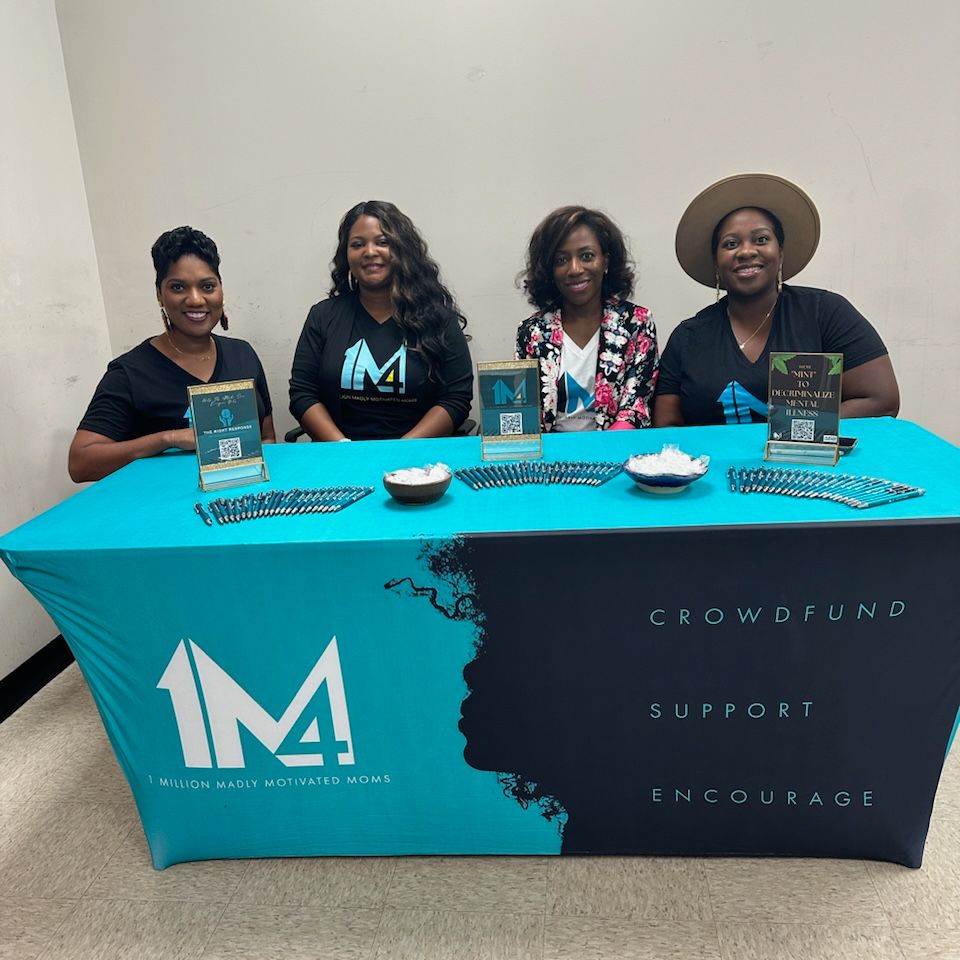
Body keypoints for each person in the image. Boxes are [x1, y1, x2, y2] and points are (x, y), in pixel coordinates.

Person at [654, 173, 899, 426]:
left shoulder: (825, 313)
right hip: (712, 465)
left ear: (780, 253)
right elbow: (666, 427)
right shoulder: (688, 337)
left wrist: (793, 432)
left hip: (805, 464)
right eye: (730, 244)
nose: (746, 251)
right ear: (716, 263)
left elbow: (881, 400)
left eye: (761, 239)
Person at [69, 227, 274, 482]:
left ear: (221, 290)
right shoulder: (130, 372)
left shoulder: (243, 355)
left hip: (244, 501)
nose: (196, 299)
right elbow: (80, 463)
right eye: (178, 287)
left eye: (207, 286)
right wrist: (169, 439)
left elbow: (266, 439)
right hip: (166, 510)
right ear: (160, 295)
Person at [289, 201, 473, 440]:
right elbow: (303, 393)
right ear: (347, 255)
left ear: (402, 249)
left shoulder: (438, 320)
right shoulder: (323, 316)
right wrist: (342, 447)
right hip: (341, 457)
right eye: (357, 244)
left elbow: (455, 398)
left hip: (416, 458)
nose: (370, 252)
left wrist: (401, 449)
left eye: (382, 242)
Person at [516, 206, 658, 431]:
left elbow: (635, 407)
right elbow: (527, 413)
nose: (574, 269)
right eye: (561, 260)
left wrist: (602, 453)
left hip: (615, 453)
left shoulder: (637, 323)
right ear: (550, 270)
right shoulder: (532, 332)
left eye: (586, 256)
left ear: (606, 261)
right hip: (552, 459)